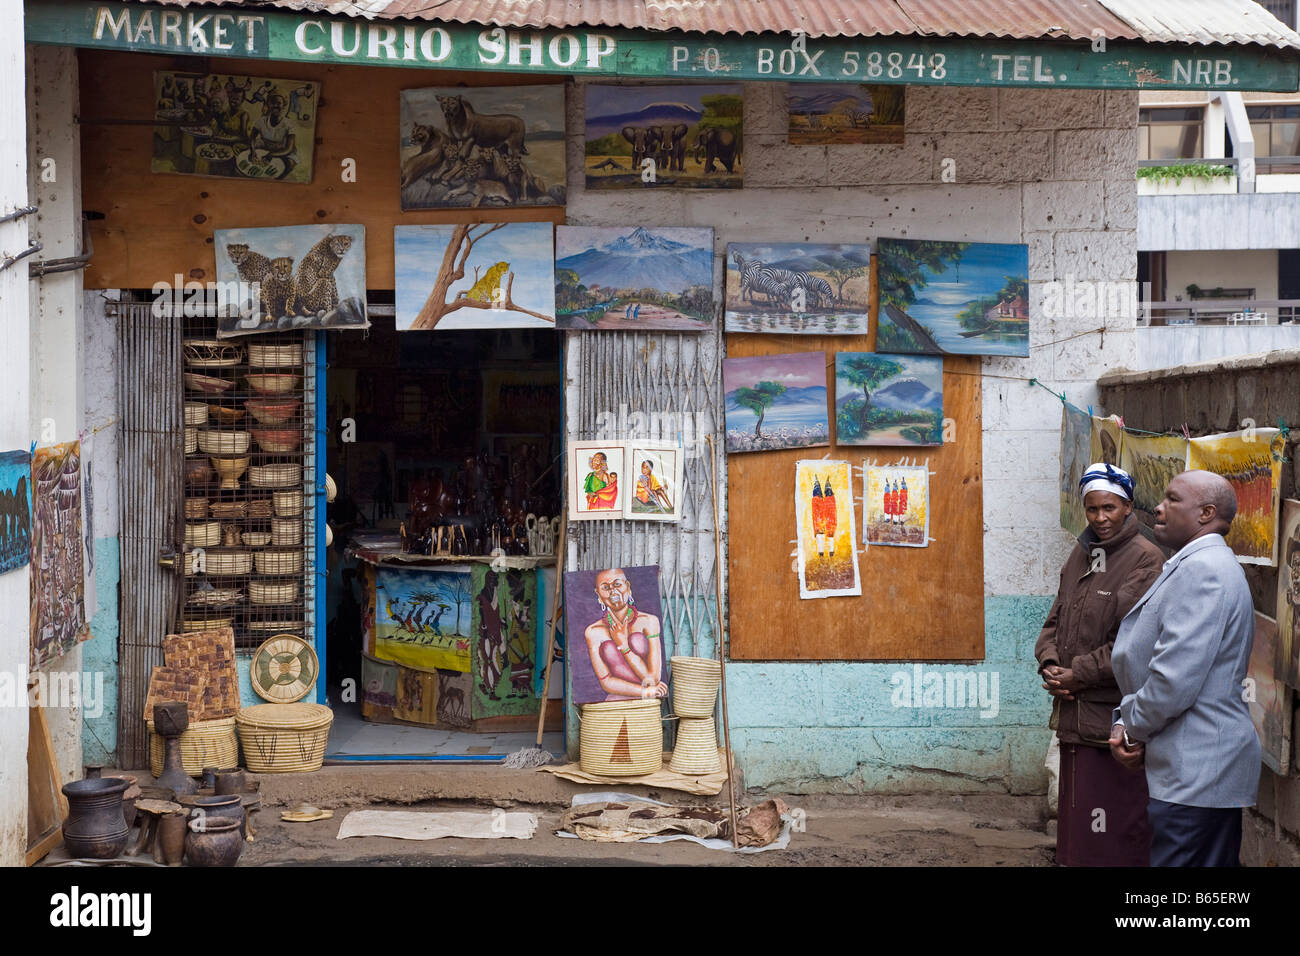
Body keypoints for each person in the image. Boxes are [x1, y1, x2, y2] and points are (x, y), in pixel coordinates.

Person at [1109, 470, 1260, 867]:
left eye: (1173, 499)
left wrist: (1131, 726)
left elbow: (1173, 681)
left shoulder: (1205, 571)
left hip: (1198, 772)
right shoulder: (1193, 564)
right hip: (1189, 769)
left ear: (1206, 513)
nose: (1158, 507)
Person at [1035, 462, 1164, 866]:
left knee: (1111, 833)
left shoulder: (1146, 560)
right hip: (1073, 715)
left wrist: (1078, 675)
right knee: (1076, 832)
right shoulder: (1082, 552)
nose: (1101, 518)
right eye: (1092, 509)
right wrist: (1051, 664)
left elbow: (1131, 644)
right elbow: (1054, 619)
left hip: (1110, 719)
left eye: (1109, 508)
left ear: (1128, 506)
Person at [583, 568, 667, 700]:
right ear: (598, 594)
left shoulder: (649, 621)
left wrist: (623, 645)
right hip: (617, 702)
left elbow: (652, 679)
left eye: (617, 584)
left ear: (627, 587)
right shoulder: (593, 632)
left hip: (649, 703)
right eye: (605, 587)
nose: (613, 591)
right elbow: (606, 682)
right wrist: (645, 692)